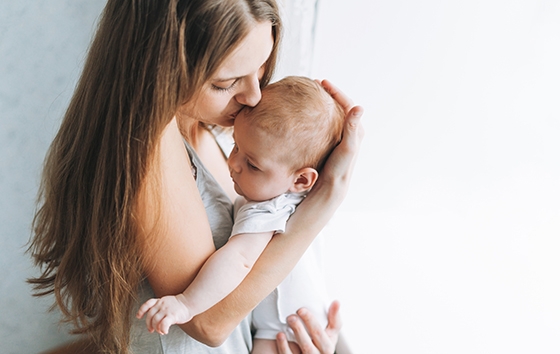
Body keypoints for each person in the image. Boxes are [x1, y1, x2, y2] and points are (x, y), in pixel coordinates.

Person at [27, 0, 363, 353]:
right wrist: (323, 203)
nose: (254, 96)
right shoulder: (148, 149)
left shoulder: (213, 127)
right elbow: (208, 324)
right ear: (164, 67)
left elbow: (253, 287)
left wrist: (311, 328)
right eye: (226, 82)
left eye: (261, 66)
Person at [136, 76, 344, 354]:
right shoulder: (294, 195)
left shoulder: (268, 208)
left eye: (253, 165)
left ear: (303, 180)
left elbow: (240, 259)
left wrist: (186, 303)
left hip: (285, 333)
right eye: (235, 146)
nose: (233, 163)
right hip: (298, 325)